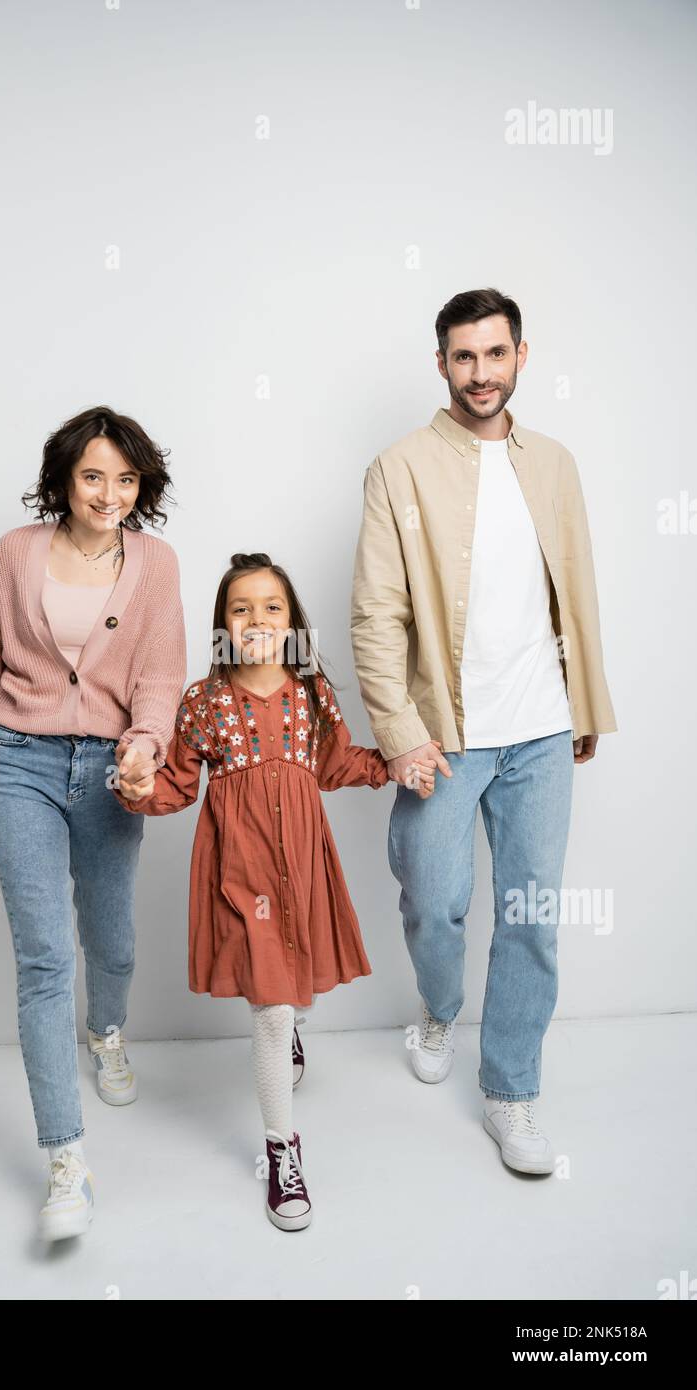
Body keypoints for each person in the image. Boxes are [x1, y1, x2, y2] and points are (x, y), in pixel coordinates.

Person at [0, 406, 186, 1240]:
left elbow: (161, 678)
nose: (110, 494)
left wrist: (145, 745)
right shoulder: (16, 553)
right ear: (62, 477)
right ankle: (66, 1161)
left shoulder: (155, 564)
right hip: (18, 765)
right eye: (94, 476)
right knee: (46, 958)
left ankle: (109, 1029)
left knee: (112, 938)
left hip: (112, 773)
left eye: (126, 479)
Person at [350, 288, 617, 1175]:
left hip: (541, 729)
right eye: (463, 357)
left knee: (532, 916)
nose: (481, 374)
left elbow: (575, 591)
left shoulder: (556, 464)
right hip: (443, 735)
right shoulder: (400, 468)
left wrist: (586, 705)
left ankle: (511, 1092)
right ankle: (437, 1007)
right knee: (434, 899)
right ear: (442, 365)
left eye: (495, 355)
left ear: (521, 357)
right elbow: (375, 616)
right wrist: (401, 734)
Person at [115, 552, 431, 1229]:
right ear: (222, 623)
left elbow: (335, 763)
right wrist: (136, 787)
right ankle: (282, 1152)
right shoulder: (201, 702)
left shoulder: (313, 693)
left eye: (272, 606)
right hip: (239, 870)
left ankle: (290, 1030)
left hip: (303, 864)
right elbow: (175, 785)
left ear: (292, 621)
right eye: (241, 607)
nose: (256, 618)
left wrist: (394, 766)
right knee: (270, 1006)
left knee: (290, 984)